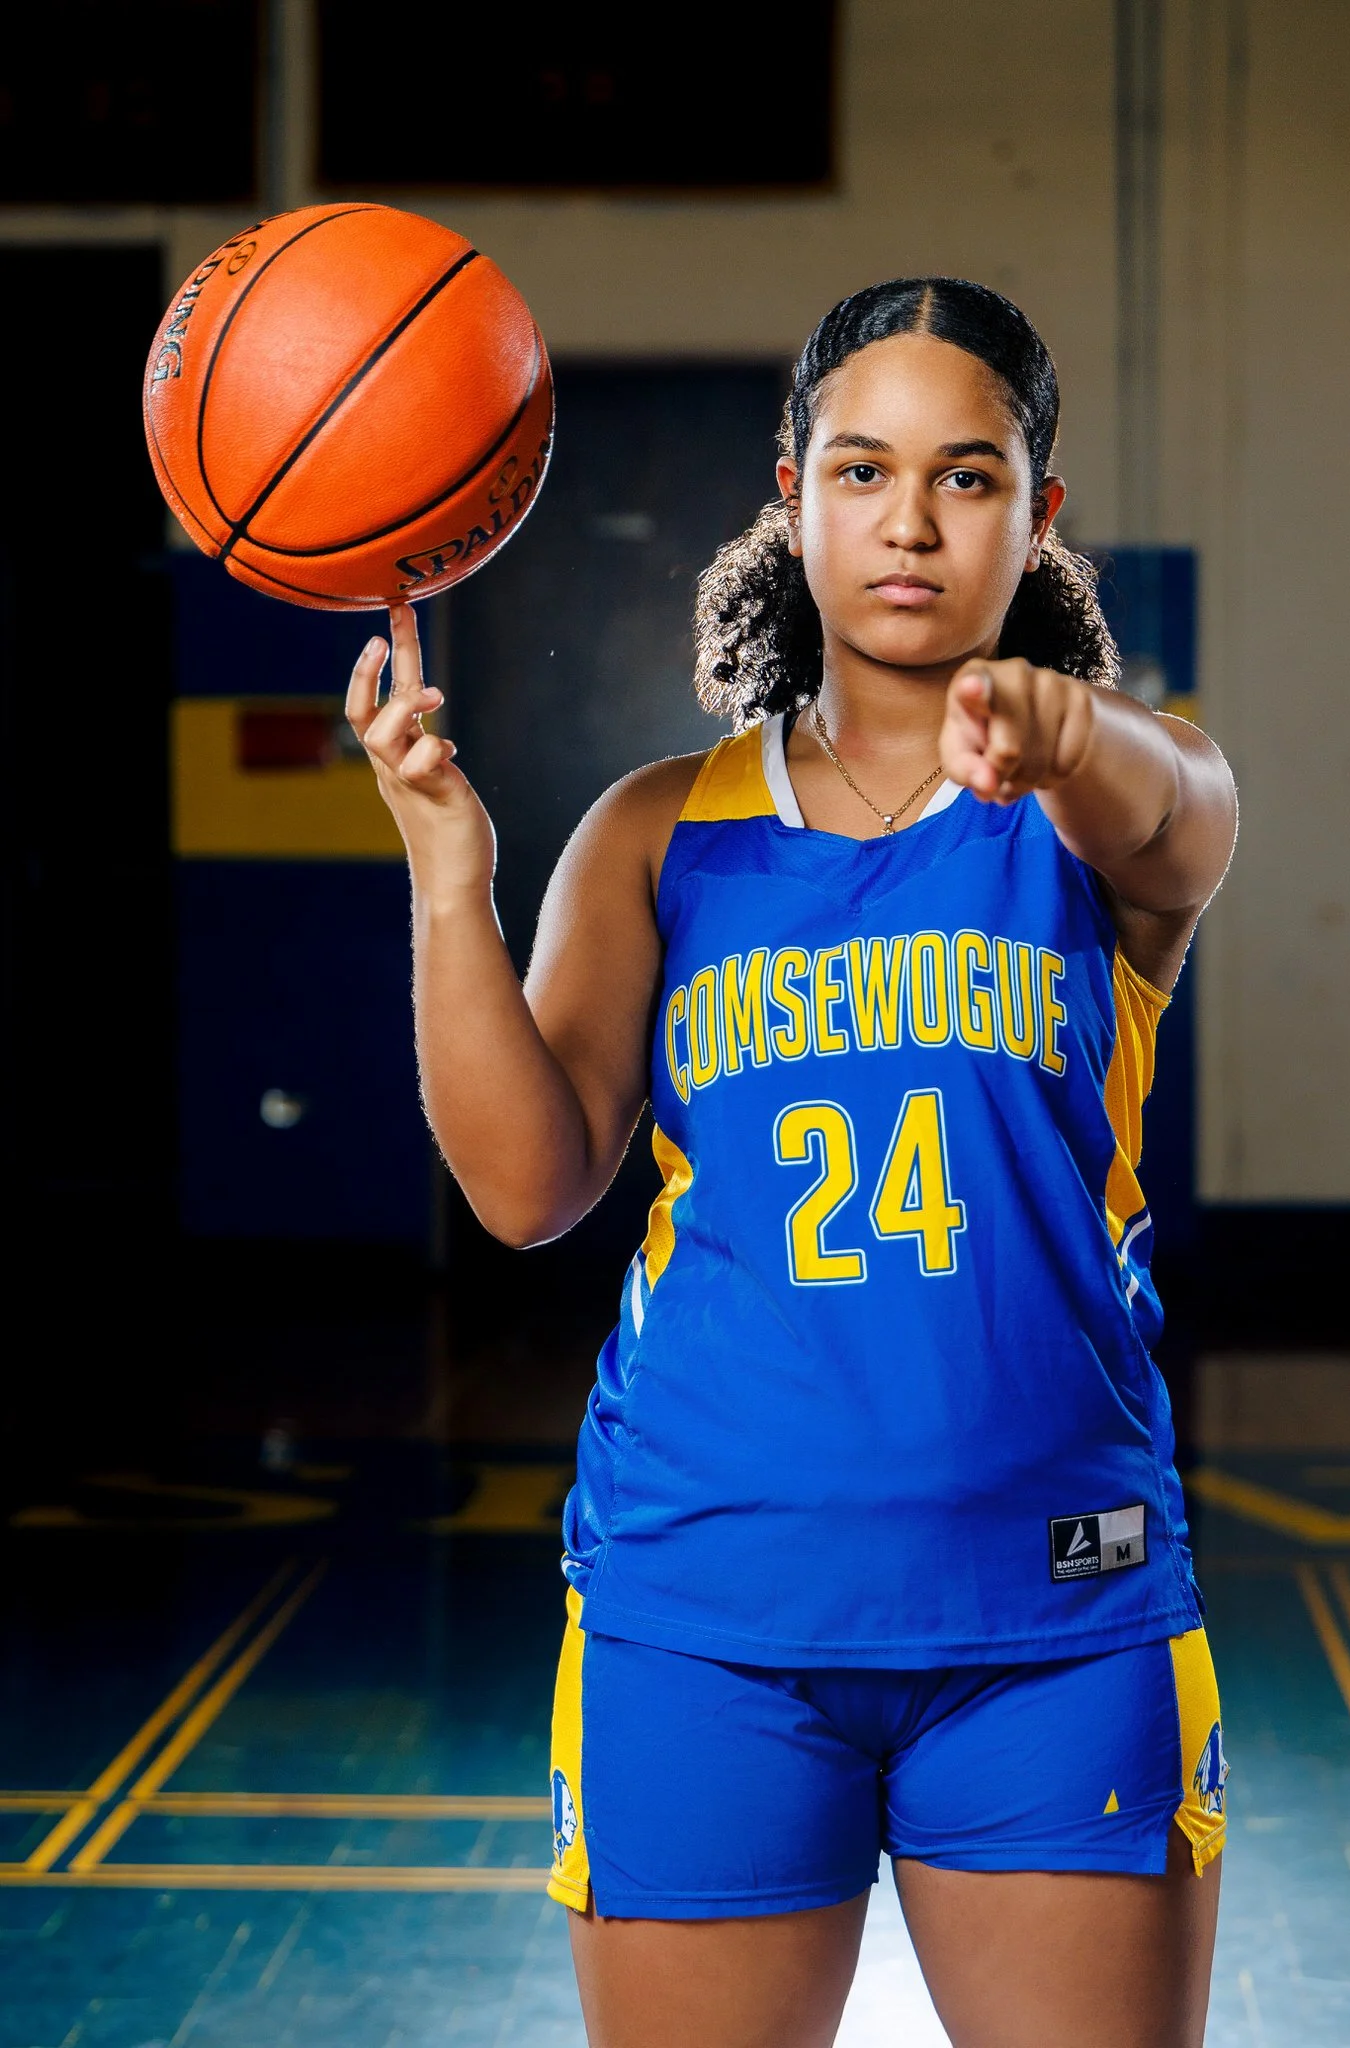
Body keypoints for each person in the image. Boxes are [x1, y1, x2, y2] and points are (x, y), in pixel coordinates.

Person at [347, 278, 1238, 2048]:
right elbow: (528, 1189)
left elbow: (1177, 810)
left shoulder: (1114, 803)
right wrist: (452, 876)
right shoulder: (657, 828)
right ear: (793, 493)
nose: (908, 521)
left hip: (1051, 1611)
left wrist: (1057, 731)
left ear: (1037, 510)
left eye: (967, 476)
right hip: (708, 1607)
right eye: (860, 469)